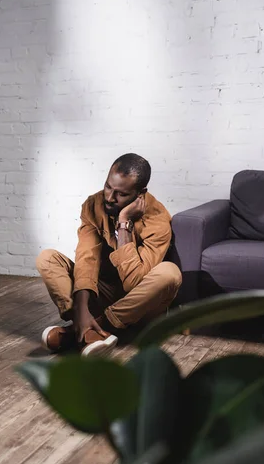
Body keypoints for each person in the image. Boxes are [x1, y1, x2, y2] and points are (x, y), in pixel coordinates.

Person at [36, 153, 182, 356]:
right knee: (48, 258)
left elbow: (134, 282)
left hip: (140, 304)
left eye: (121, 194)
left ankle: (92, 329)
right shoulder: (94, 205)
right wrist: (81, 307)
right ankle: (85, 324)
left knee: (170, 273)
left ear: (140, 193)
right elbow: (87, 258)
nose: (109, 198)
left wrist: (124, 224)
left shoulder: (157, 220)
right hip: (104, 292)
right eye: (107, 187)